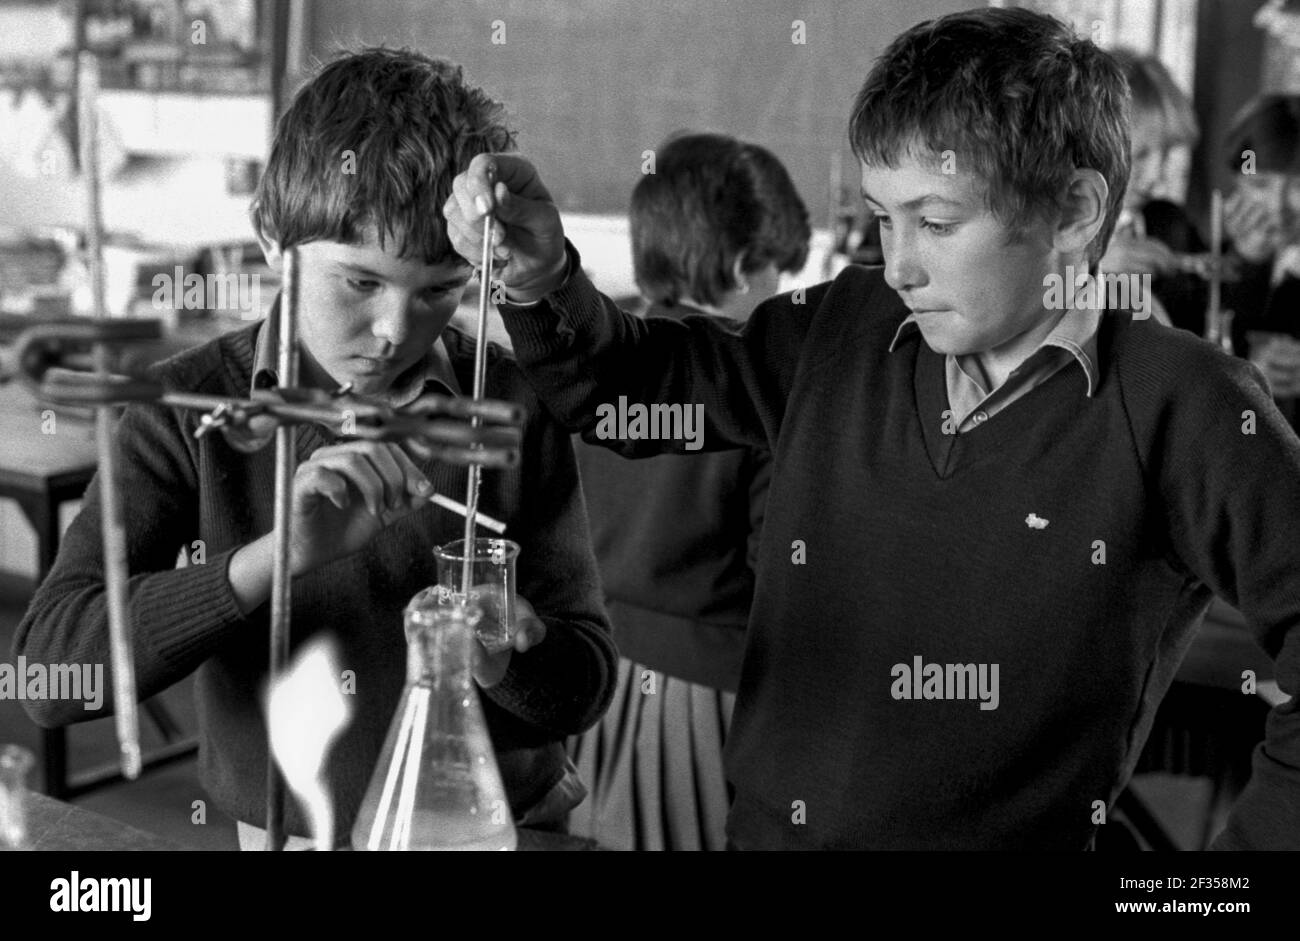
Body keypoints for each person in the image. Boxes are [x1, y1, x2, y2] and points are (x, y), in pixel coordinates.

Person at [444, 7, 1300, 849]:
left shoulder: (1184, 404)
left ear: (1074, 210)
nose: (898, 264)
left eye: (934, 222)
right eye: (883, 219)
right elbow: (628, 393)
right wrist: (543, 276)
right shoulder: (844, 323)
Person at [13, 48, 616, 849]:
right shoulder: (186, 412)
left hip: (495, 828)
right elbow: (54, 675)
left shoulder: (508, 405)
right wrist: (272, 558)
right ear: (271, 237)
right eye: (360, 283)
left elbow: (586, 681)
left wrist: (506, 662)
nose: (396, 331)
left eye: (439, 290)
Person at [567, 132, 809, 851]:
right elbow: (782, 571)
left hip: (583, 676)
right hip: (707, 699)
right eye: (778, 275)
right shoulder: (751, 387)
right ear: (740, 268)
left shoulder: (588, 353)